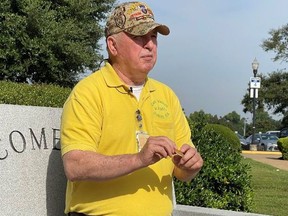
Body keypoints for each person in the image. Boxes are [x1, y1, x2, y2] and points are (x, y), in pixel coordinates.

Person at [60, 1, 203, 216]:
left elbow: (181, 171)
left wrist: (191, 165)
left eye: (153, 37)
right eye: (138, 37)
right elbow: (75, 165)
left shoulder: (166, 95)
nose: (149, 45)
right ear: (113, 45)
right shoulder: (88, 92)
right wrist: (138, 159)